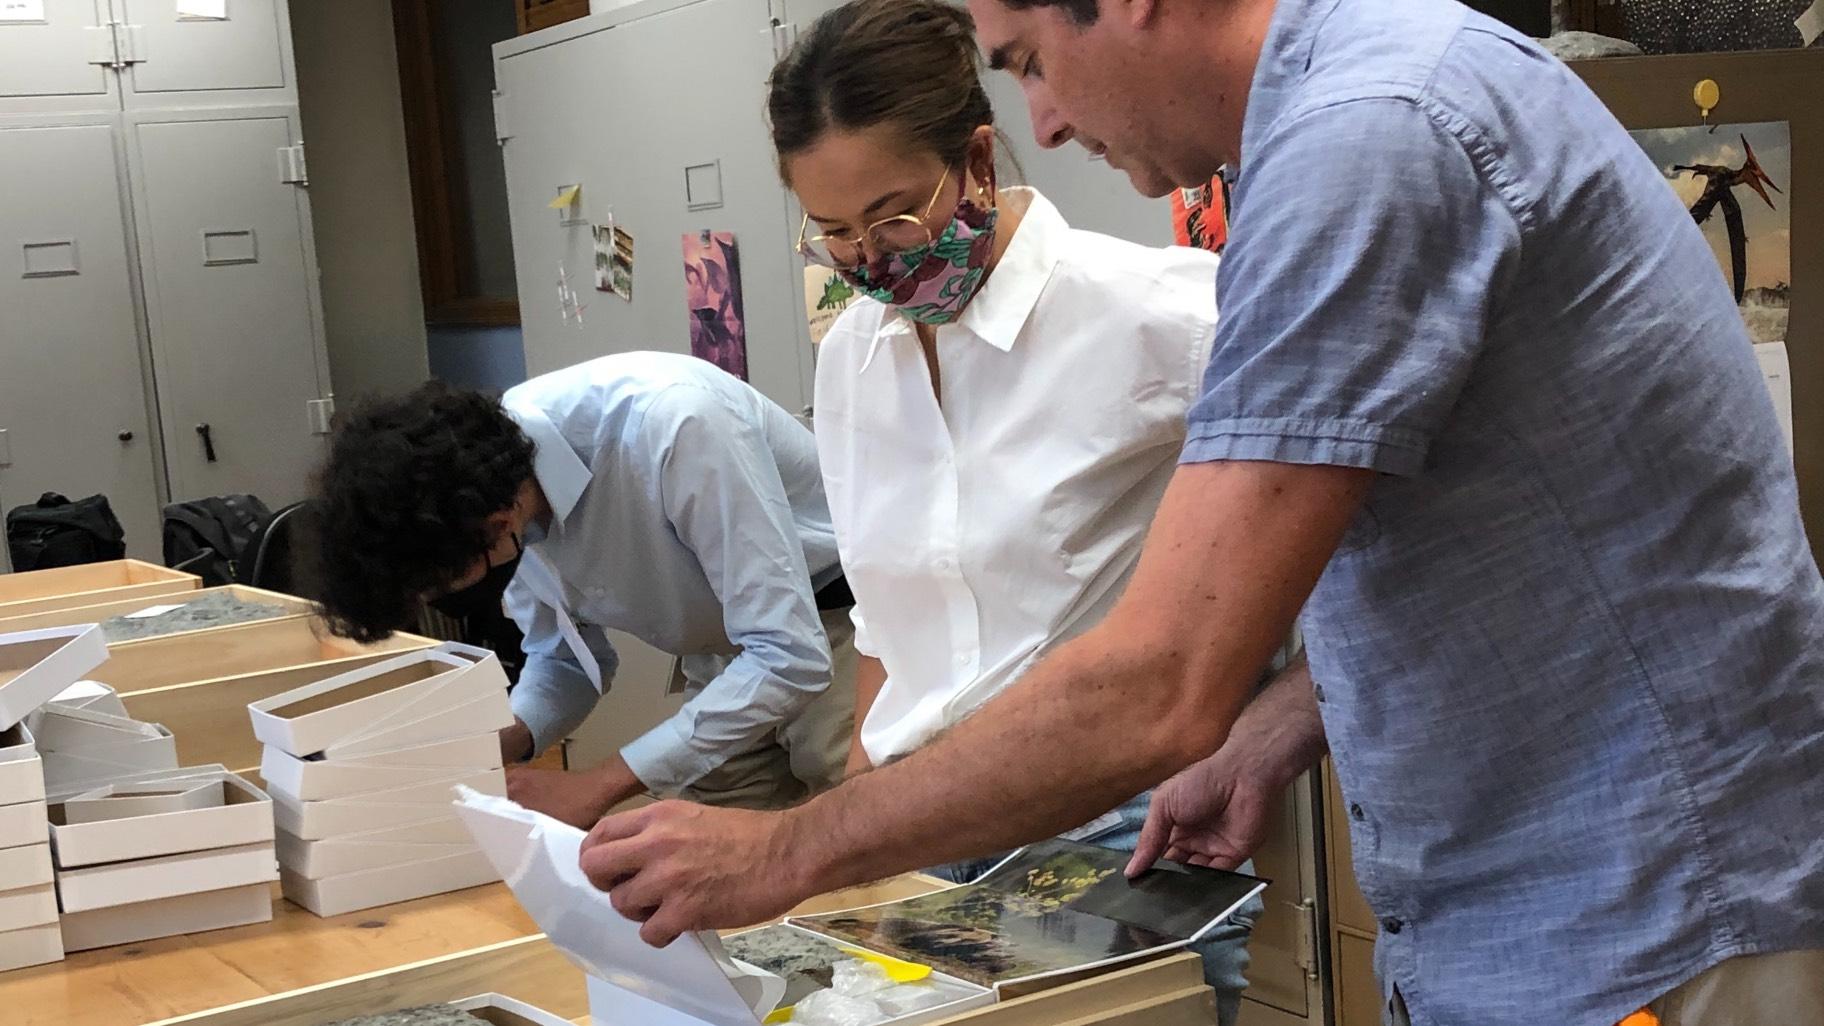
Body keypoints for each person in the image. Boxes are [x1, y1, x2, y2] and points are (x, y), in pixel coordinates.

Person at [574, 0, 1824, 1023]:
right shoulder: (1375, 97)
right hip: (1551, 903)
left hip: (1639, 913)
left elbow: (1161, 679)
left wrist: (783, 854)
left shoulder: (1367, 142)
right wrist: (1276, 725)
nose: (1047, 124)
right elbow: (1483, 540)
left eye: (1030, 65)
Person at [766, 3, 1265, 1021]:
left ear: (977, 158)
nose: (870, 256)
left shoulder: (1160, 312)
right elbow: (884, 624)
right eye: (834, 232)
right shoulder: (854, 356)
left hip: (1104, 835)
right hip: (922, 828)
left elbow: (1324, 509)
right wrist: (855, 833)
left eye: (895, 215)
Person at [309, 352, 856, 825]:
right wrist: (505, 741)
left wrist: (597, 785)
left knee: (854, 846)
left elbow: (789, 655)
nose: (441, 598)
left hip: (839, 627)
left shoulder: (674, 424)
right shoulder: (483, 486)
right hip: (728, 652)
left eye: (442, 583)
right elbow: (565, 657)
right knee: (708, 858)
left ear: (497, 526)